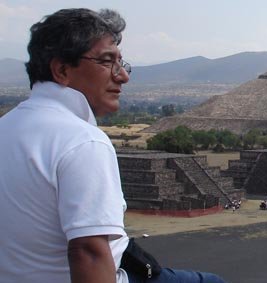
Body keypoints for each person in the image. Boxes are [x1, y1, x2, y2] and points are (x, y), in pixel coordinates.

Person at [0, 8, 227, 283]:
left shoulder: (7, 127)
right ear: (61, 69)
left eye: (122, 63)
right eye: (107, 62)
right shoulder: (82, 140)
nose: (123, 76)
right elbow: (89, 253)